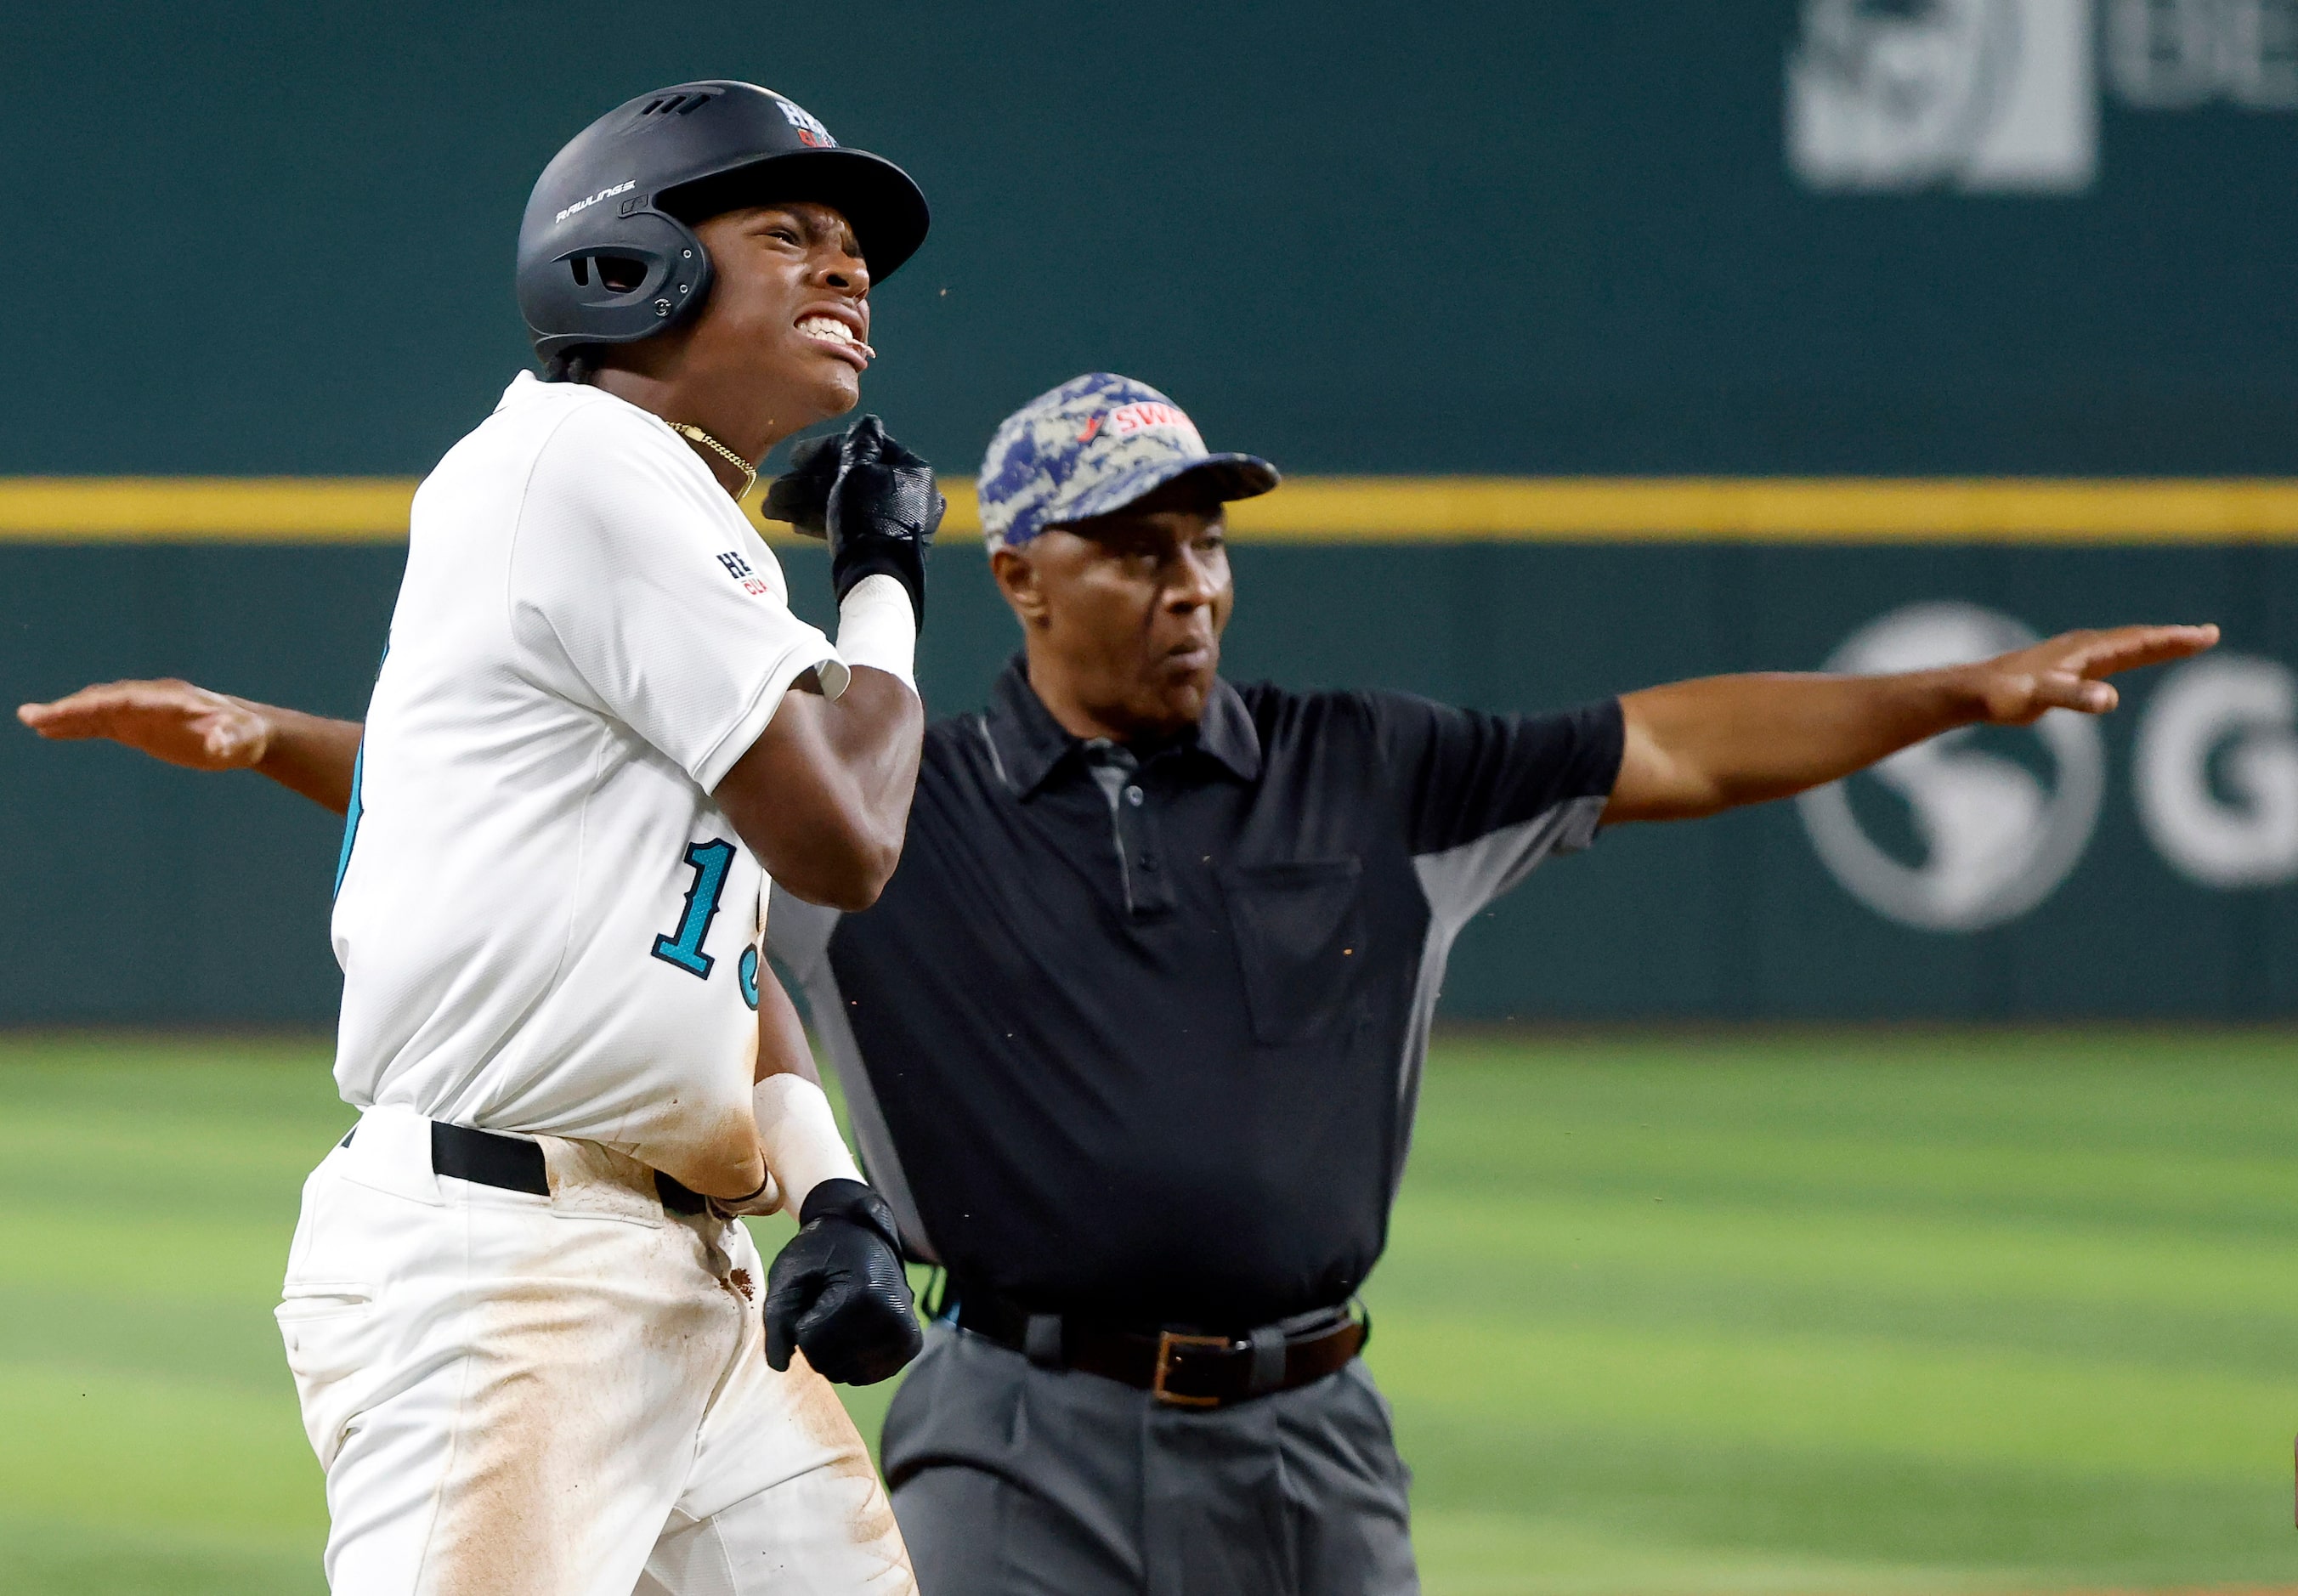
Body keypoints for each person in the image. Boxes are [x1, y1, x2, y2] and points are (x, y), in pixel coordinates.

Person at [21, 371, 2219, 1596]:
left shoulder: (1372, 766)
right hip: (1018, 1437)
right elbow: (574, 829)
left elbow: (1672, 739)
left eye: (1209, 537)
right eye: (1140, 541)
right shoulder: (899, 805)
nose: (1191, 579)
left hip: (1316, 1434)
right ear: (1019, 573)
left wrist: (1960, 692)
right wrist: (284, 742)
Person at [23, 80, 948, 1595]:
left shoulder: (652, 505)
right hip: (504, 1272)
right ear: (625, 264)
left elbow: (704, 931)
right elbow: (848, 840)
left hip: (681, 1263)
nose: (847, 271)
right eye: (790, 231)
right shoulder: (584, 461)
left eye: (856, 250)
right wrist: (886, 574)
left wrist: (825, 1183)